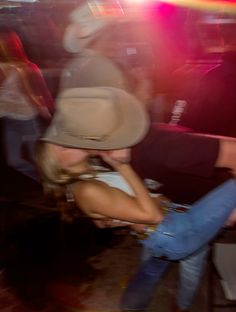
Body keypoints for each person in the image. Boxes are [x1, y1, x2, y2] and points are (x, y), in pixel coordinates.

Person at [36, 85, 236, 261]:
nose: (68, 141)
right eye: (63, 142)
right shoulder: (98, 165)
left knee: (161, 265)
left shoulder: (157, 149)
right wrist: (107, 208)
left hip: (180, 217)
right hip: (173, 223)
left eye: (69, 137)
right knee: (173, 262)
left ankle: (142, 301)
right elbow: (142, 210)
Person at [0, 30, 54, 181]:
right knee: (14, 161)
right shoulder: (8, 67)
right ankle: (48, 184)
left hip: (27, 119)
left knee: (38, 159)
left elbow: (33, 93)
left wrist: (47, 112)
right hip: (10, 120)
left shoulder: (23, 67)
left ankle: (55, 188)